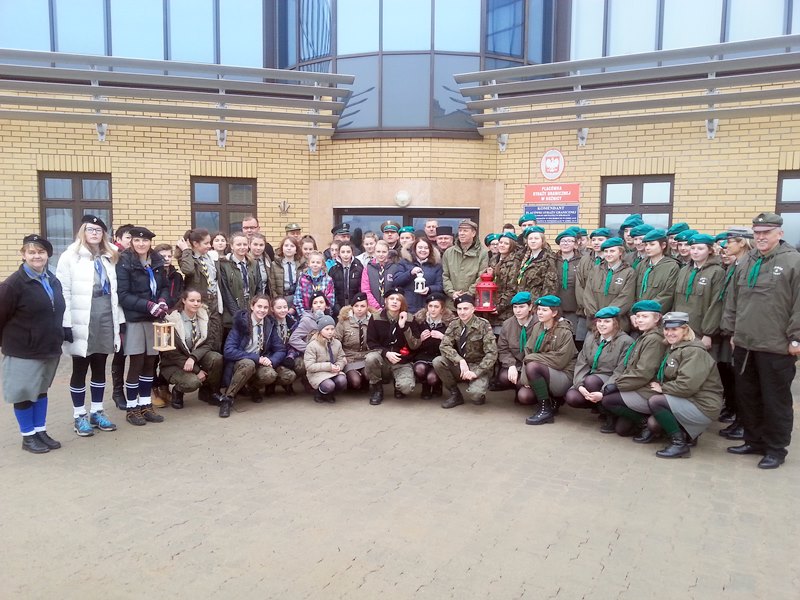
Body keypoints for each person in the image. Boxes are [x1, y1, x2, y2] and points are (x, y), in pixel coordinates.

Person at [721, 212, 800, 469]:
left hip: (776, 346)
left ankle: (776, 449)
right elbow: (733, 299)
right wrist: (732, 332)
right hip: (745, 344)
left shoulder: (793, 261)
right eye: (757, 233)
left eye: (766, 232)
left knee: (775, 400)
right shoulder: (747, 260)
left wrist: (796, 338)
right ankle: (753, 441)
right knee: (748, 396)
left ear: (780, 233)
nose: (761, 237)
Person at [0, 235, 66, 453]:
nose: (37, 256)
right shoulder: (12, 285)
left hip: (48, 347)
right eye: (31, 252)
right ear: (23, 255)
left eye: (41, 252)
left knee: (40, 391)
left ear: (48, 255)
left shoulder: (52, 280)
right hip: (23, 351)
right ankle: (28, 437)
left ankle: (40, 431)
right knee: (23, 393)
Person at [56, 215, 121, 437]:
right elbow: (63, 291)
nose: (94, 233)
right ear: (82, 231)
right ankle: (79, 415)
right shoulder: (70, 256)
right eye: (90, 229)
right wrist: (66, 322)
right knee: (80, 367)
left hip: (105, 314)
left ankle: (97, 411)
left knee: (100, 365)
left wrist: (118, 321)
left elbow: (115, 292)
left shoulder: (110, 256)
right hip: (81, 316)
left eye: (98, 230)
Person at [638, 311, 723, 458]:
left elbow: (687, 386)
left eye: (674, 329)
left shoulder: (694, 351)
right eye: (666, 329)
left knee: (656, 402)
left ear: (685, 330)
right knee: (653, 424)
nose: (669, 333)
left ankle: (679, 445)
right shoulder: (674, 347)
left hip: (703, 405)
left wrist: (663, 388)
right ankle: (686, 433)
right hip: (688, 398)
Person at [115, 226, 168, 426]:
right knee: (136, 363)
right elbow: (123, 295)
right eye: (136, 240)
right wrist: (148, 305)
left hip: (154, 318)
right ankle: (132, 408)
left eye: (145, 240)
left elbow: (164, 287)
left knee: (150, 363)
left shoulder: (156, 260)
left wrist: (162, 301)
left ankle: (146, 405)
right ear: (131, 242)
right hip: (135, 319)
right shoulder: (124, 261)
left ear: (150, 242)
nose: (141, 244)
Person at [600, 300, 664, 437]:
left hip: (646, 390)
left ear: (657, 318)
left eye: (645, 316)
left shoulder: (654, 339)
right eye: (638, 316)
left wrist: (618, 385)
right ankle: (640, 419)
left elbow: (643, 373)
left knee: (608, 400)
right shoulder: (645, 336)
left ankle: (644, 422)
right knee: (622, 430)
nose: (640, 320)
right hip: (636, 385)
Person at [220, 294, 290, 417]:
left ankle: (253, 387)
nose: (262, 310)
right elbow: (228, 350)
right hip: (241, 362)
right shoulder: (240, 323)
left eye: (265, 307)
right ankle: (227, 398)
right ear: (252, 306)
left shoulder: (269, 324)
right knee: (249, 364)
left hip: (260, 362)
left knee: (270, 374)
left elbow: (280, 349)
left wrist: (271, 360)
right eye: (259, 306)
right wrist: (256, 358)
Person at [564, 307, 634, 428]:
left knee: (592, 381)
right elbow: (582, 363)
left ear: (616, 323)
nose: (602, 324)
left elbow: (621, 370)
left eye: (607, 321)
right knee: (572, 397)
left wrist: (603, 392)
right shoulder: (591, 338)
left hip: (611, 380)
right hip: (590, 378)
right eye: (599, 321)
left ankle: (609, 413)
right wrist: (580, 386)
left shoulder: (626, 342)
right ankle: (599, 407)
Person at [716, 227, 753, 440]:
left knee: (743, 380)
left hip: (743, 332)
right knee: (734, 377)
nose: (726, 246)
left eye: (730, 242)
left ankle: (744, 422)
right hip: (731, 329)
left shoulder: (747, 265)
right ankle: (738, 418)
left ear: (742, 243)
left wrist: (735, 331)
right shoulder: (736, 265)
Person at [158, 288, 223, 409]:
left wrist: (193, 358)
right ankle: (178, 391)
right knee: (193, 382)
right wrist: (197, 370)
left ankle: (210, 392)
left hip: (194, 359)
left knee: (216, 358)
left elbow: (208, 343)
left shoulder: (204, 317)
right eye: (192, 300)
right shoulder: (171, 320)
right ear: (184, 300)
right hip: (174, 364)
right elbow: (171, 353)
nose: (196, 304)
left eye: (198, 301)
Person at [433, 293, 497, 408]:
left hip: (478, 365)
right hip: (460, 365)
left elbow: (492, 353)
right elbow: (444, 345)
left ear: (473, 309)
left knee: (475, 395)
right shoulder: (454, 324)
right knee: (438, 361)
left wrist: (476, 372)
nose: (462, 312)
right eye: (459, 309)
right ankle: (455, 394)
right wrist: (460, 360)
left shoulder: (483, 325)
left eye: (465, 309)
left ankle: (478, 391)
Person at [520, 295, 576, 424]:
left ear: (554, 313)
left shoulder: (564, 331)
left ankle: (545, 411)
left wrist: (532, 359)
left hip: (563, 374)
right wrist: (524, 378)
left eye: (544, 310)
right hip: (543, 370)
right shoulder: (538, 327)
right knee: (524, 395)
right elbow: (528, 350)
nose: (540, 312)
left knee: (533, 366)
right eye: (539, 309)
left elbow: (560, 360)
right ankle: (552, 401)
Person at [672, 233, 725, 354]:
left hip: (702, 332)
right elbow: (676, 301)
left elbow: (716, 304)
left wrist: (708, 333)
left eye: (700, 249)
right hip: (682, 329)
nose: (695, 252)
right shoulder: (684, 270)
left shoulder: (717, 272)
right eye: (693, 248)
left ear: (710, 250)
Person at [364, 288, 415, 405]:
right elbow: (371, 342)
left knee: (406, 388)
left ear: (402, 303)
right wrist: (386, 353)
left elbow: (415, 345)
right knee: (370, 358)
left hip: (402, 361)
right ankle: (377, 389)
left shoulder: (410, 318)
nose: (394, 301)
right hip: (383, 359)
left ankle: (398, 385)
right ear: (386, 301)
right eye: (391, 298)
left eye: (398, 299)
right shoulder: (375, 317)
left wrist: (404, 327)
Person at [407, 292, 454, 399]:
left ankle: (437, 385)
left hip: (440, 357)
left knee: (432, 378)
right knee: (419, 369)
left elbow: (456, 344)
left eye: (436, 307)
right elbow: (412, 343)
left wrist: (443, 337)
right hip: (423, 355)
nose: (433, 309)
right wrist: (420, 339)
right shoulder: (419, 321)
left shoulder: (449, 323)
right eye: (430, 306)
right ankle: (425, 387)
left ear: (442, 309)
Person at [583, 237, 636, 326]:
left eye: (612, 251)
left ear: (620, 252)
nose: (608, 254)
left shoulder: (629, 272)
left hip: (617, 322)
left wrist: (607, 315)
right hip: (595, 321)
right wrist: (595, 315)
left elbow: (626, 297)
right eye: (606, 251)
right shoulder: (595, 270)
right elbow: (588, 294)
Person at [110, 223, 135, 410]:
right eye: (128, 237)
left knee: (137, 354)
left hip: (136, 311)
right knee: (120, 353)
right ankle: (118, 392)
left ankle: (136, 390)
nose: (131, 241)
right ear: (118, 239)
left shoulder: (138, 257)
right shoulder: (113, 257)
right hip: (119, 311)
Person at [495, 291, 537, 403]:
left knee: (525, 397)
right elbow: (503, 349)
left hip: (533, 367)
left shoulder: (539, 324)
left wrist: (526, 371)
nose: (518, 311)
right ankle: (520, 387)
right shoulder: (508, 324)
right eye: (515, 307)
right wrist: (511, 365)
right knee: (504, 377)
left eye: (522, 307)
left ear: (530, 307)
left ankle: (542, 396)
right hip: (517, 364)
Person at [219, 231, 261, 333]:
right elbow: (225, 292)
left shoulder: (254, 264)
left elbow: (258, 287)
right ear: (232, 246)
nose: (242, 247)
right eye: (238, 244)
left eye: (245, 244)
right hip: (231, 314)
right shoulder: (224, 265)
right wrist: (237, 314)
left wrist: (255, 308)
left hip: (251, 310)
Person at [288, 291, 332, 386]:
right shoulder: (307, 320)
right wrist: (310, 349)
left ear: (326, 305)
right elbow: (293, 339)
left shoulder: (328, 319)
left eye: (321, 302)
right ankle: (306, 380)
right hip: (311, 356)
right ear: (311, 306)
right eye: (315, 303)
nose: (318, 305)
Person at [442, 219, 488, 304]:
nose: (461, 233)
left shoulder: (483, 253)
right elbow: (445, 276)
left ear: (473, 233)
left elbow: (482, 277)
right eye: (460, 231)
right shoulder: (448, 252)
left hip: (472, 302)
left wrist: (469, 293)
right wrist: (452, 292)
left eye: (465, 231)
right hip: (452, 301)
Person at [334, 292, 373, 391]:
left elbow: (377, 341)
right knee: (355, 382)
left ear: (367, 307)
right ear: (352, 307)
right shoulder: (343, 321)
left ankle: (365, 382)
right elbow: (336, 342)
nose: (359, 309)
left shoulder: (373, 321)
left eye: (362, 306)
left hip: (366, 356)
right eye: (356, 306)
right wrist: (341, 357)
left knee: (369, 375)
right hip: (349, 357)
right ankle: (353, 383)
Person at [304, 314, 347, 403]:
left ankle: (330, 393)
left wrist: (339, 366)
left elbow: (341, 357)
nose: (330, 332)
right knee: (328, 385)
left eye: (332, 329)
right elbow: (309, 366)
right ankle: (320, 393)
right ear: (320, 330)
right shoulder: (313, 345)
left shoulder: (337, 343)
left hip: (333, 371)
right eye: (327, 329)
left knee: (342, 381)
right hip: (317, 373)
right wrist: (328, 366)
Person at [635, 229, 680, 313]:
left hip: (657, 314)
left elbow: (668, 294)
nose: (647, 248)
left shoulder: (672, 266)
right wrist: (634, 311)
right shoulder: (641, 265)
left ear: (663, 245)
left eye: (652, 244)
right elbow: (632, 291)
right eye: (646, 244)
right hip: (639, 314)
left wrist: (648, 310)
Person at [396, 237, 444, 314]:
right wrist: (410, 273)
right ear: (415, 249)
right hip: (408, 305)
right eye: (420, 247)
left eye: (426, 248)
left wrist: (429, 289)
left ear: (430, 250)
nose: (423, 250)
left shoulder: (436, 266)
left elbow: (440, 286)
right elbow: (397, 281)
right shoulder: (404, 262)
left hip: (427, 307)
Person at [484, 231, 520, 329]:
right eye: (501, 242)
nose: (502, 245)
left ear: (512, 245)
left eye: (506, 243)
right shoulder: (494, 259)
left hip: (505, 310)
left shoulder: (514, 262)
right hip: (490, 305)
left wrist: (499, 307)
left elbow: (512, 289)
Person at [554, 229, 583, 338]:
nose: (565, 243)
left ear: (575, 244)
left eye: (569, 241)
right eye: (563, 241)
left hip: (574, 305)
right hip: (557, 305)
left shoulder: (582, 260)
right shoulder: (553, 260)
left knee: (572, 335)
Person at [516, 226, 558, 302]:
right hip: (522, 301)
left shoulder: (548, 259)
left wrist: (542, 303)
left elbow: (549, 286)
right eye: (530, 239)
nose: (533, 241)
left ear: (542, 240)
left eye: (536, 238)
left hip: (536, 302)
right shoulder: (524, 257)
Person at [361, 239, 406, 309]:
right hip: (373, 308)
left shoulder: (394, 267)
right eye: (378, 252)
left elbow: (397, 289)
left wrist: (389, 305)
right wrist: (376, 306)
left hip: (391, 308)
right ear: (374, 252)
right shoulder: (368, 268)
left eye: (384, 252)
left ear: (388, 252)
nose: (381, 254)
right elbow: (365, 290)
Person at [270, 296, 300, 394]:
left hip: (287, 354)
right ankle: (269, 385)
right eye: (279, 308)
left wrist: (290, 355)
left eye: (285, 307)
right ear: (272, 309)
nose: (283, 310)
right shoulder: (268, 324)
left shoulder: (293, 323)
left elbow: (295, 343)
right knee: (269, 374)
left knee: (301, 364)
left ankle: (288, 384)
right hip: (272, 356)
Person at [294, 250, 335, 317]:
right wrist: (303, 314)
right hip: (306, 314)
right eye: (313, 262)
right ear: (308, 263)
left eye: (318, 262)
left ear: (322, 264)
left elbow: (330, 300)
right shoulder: (302, 278)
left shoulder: (328, 280)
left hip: (323, 315)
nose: (315, 265)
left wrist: (324, 313)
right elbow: (298, 298)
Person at [270, 236, 305, 314]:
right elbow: (272, 287)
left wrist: (294, 305)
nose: (289, 248)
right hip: (281, 297)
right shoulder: (275, 265)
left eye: (292, 246)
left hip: (296, 298)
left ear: (296, 250)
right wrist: (278, 302)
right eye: (286, 245)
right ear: (282, 248)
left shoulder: (301, 265)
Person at [329, 241, 364, 317]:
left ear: (352, 253)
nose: (345, 255)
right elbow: (332, 290)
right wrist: (337, 308)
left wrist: (356, 305)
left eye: (348, 252)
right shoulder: (333, 270)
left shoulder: (359, 269)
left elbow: (360, 289)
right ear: (339, 253)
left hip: (355, 308)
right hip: (338, 308)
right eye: (343, 252)